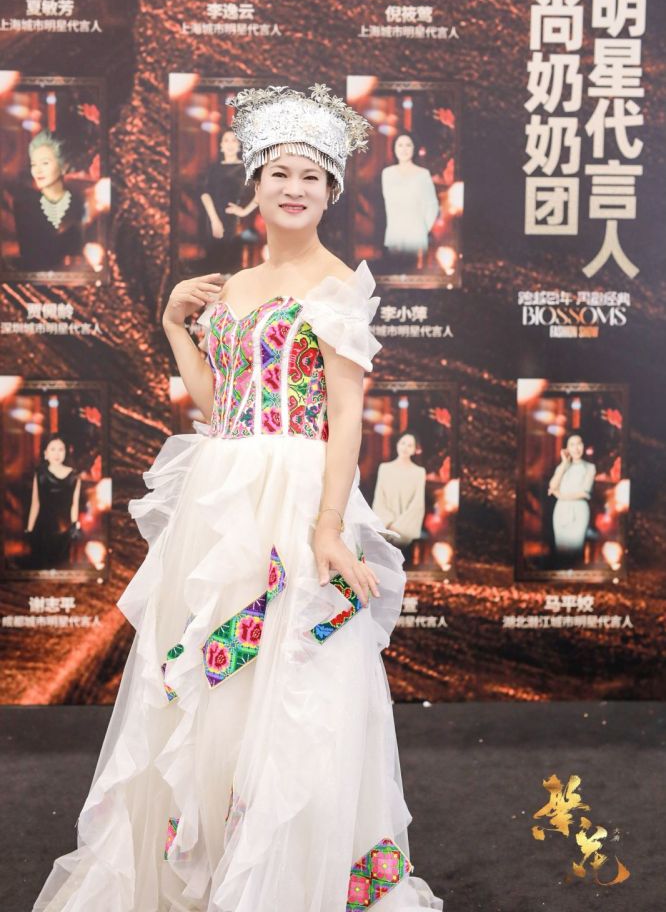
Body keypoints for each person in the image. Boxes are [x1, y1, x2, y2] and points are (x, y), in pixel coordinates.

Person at [32, 85, 442, 911]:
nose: (295, 188)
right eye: (279, 172)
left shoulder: (339, 287)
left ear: (332, 192)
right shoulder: (235, 284)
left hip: (296, 500)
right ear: (253, 185)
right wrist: (174, 326)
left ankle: (282, 881)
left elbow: (348, 419)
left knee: (291, 687)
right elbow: (221, 407)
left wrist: (329, 529)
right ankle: (211, 866)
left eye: (312, 176)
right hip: (220, 498)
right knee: (209, 691)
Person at [10, 130, 86, 273]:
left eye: (45, 163)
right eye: (34, 164)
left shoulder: (78, 200)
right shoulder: (25, 204)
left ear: (63, 166)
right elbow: (34, 255)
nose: (38, 170)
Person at [198, 128, 258, 273]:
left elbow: (261, 192)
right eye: (226, 140)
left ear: (239, 145)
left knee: (234, 268)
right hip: (213, 220)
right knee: (213, 267)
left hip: (237, 224)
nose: (230, 144)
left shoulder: (247, 169)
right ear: (221, 145)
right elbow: (205, 194)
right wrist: (214, 220)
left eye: (234, 140)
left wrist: (244, 212)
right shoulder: (213, 168)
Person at [24, 432, 81, 570]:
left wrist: (74, 526)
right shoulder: (40, 474)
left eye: (61, 449)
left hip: (64, 530)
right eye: (53, 449)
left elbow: (74, 504)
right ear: (45, 453)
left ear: (66, 452)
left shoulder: (74, 476)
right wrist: (29, 529)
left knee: (62, 567)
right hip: (42, 529)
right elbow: (35, 504)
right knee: (42, 567)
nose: (57, 453)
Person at [381, 132, 440, 264]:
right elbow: (389, 203)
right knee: (394, 270)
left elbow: (432, 205)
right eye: (400, 145)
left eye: (408, 145)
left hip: (416, 235)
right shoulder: (387, 173)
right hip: (394, 235)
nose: (404, 149)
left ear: (414, 148)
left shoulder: (423, 174)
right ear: (394, 148)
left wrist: (423, 229)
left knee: (415, 271)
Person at [372, 432, 427, 547]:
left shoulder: (419, 472)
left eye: (410, 445)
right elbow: (379, 500)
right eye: (403, 443)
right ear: (397, 444)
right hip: (384, 529)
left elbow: (417, 505)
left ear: (414, 450)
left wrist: (397, 528)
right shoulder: (384, 468)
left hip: (405, 532)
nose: (405, 448)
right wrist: (388, 524)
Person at [548, 433, 596, 561]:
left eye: (579, 444)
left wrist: (559, 495)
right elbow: (552, 485)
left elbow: (584, 492)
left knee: (576, 550)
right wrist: (564, 464)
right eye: (572, 445)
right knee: (561, 551)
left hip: (579, 511)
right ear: (567, 448)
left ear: (584, 446)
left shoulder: (590, 467)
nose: (576, 448)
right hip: (561, 511)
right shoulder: (562, 467)